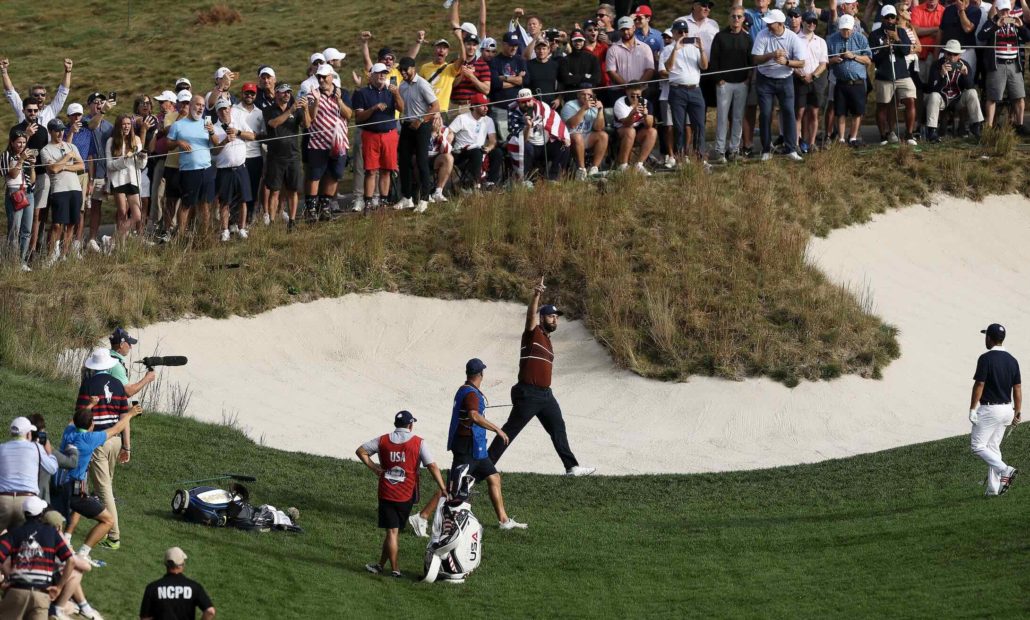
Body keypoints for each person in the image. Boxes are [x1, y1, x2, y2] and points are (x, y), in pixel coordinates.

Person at [487, 278, 595, 476]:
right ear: (543, 318)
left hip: (545, 396)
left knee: (558, 428)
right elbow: (530, 317)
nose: (555, 320)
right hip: (529, 393)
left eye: (556, 317)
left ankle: (571, 466)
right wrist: (536, 295)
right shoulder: (533, 333)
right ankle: (484, 466)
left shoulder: (548, 342)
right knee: (510, 431)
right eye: (551, 316)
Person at [408, 358, 527, 537]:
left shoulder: (465, 390)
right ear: (480, 375)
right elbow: (473, 415)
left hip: (477, 448)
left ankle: (503, 520)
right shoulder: (471, 394)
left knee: (494, 477)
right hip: (467, 447)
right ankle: (422, 517)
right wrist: (497, 429)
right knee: (452, 487)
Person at [56, 378, 142, 559]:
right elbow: (117, 427)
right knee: (107, 520)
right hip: (75, 488)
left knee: (67, 513)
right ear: (91, 426)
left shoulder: (68, 432)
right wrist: (130, 414)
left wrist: (90, 404)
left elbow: (75, 419)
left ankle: (66, 538)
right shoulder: (90, 440)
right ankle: (83, 554)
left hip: (60, 483)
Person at [356, 411, 447, 578]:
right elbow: (432, 466)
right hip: (407, 494)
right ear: (410, 425)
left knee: (392, 532)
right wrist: (443, 487)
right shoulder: (419, 442)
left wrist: (375, 468)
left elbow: (361, 451)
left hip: (386, 492)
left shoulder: (382, 440)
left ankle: (395, 569)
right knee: (393, 531)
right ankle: (384, 566)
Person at [77, 347, 132, 552]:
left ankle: (113, 535)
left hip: (98, 441)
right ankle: (105, 528)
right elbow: (124, 418)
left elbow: (81, 415)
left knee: (104, 490)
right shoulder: (118, 385)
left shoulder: (88, 385)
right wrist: (127, 446)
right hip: (116, 440)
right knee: (106, 486)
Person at [0, 497, 77, 619]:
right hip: (41, 594)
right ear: (41, 514)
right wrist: (59, 587)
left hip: (16, 592)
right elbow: (71, 560)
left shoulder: (15, 532)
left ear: (25, 513)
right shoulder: (52, 533)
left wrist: (8, 577)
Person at [968, 323, 1021, 497]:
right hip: (1007, 409)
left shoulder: (986, 358)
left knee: (977, 446)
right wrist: (1017, 412)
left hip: (991, 409)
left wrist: (972, 408)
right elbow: (1017, 389)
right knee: (992, 446)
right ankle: (993, 488)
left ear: (990, 338)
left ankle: (1005, 469)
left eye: (986, 336)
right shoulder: (1012, 360)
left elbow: (980, 384)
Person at [751, 9, 807, 161]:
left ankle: (791, 149)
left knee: (789, 112)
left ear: (781, 24)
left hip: (785, 79)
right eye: (768, 23)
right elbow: (755, 59)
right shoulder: (762, 34)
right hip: (765, 80)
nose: (768, 26)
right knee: (765, 114)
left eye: (771, 23)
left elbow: (801, 62)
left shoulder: (792, 37)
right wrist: (771, 55)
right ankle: (766, 149)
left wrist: (787, 62)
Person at [301, 64, 352, 220]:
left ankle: (325, 206)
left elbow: (349, 114)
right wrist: (316, 102)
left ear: (331, 76)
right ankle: (311, 209)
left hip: (339, 143)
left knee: (335, 174)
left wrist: (339, 101)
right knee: (315, 175)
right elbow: (310, 119)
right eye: (319, 77)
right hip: (318, 143)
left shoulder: (343, 93)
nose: (321, 80)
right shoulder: (312, 94)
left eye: (324, 77)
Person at [352, 63, 401, 211]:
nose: (382, 75)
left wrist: (397, 94)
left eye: (384, 73)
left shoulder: (391, 91)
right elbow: (359, 118)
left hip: (389, 135)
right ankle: (367, 202)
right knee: (371, 170)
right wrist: (373, 108)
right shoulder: (362, 93)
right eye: (379, 73)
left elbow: (402, 109)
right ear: (371, 75)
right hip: (370, 135)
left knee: (386, 170)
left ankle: (383, 201)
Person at [167, 94, 217, 237]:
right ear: (190, 105)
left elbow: (215, 143)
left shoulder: (206, 124)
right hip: (189, 171)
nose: (200, 108)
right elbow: (168, 145)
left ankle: (204, 235)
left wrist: (212, 131)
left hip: (206, 169)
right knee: (186, 204)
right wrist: (178, 142)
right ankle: (181, 236)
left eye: (202, 106)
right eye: (198, 105)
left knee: (205, 204)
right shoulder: (178, 125)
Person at [709, 5, 753, 163]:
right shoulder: (720, 37)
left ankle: (733, 150)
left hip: (742, 83)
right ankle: (720, 151)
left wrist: (748, 79)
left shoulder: (747, 38)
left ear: (743, 19)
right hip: (724, 84)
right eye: (733, 16)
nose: (736, 19)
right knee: (721, 118)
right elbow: (713, 60)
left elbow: (751, 62)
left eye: (739, 16)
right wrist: (718, 79)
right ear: (729, 18)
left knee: (738, 118)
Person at [660, 20, 709, 163]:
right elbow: (668, 68)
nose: (683, 34)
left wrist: (701, 49)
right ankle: (680, 158)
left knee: (699, 124)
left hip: (695, 89)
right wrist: (676, 49)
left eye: (685, 31)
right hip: (677, 91)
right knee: (679, 126)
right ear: (674, 33)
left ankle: (700, 157)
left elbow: (704, 66)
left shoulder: (694, 47)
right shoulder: (668, 49)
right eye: (680, 32)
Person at [870, 5, 918, 146]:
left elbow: (906, 51)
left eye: (893, 17)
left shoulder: (901, 32)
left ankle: (909, 134)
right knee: (883, 105)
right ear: (882, 19)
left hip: (902, 74)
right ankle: (884, 135)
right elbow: (874, 58)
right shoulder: (874, 35)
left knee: (910, 100)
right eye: (887, 17)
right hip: (884, 75)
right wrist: (885, 47)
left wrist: (897, 39)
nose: (890, 20)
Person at [397, 56, 440, 213]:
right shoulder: (402, 86)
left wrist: (421, 119)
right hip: (408, 125)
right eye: (401, 70)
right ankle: (407, 197)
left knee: (422, 161)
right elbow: (401, 107)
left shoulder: (422, 84)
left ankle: (424, 198)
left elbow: (436, 106)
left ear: (413, 68)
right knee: (403, 160)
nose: (403, 72)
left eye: (405, 69)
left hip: (422, 126)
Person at [39, 118, 85, 264]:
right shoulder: (46, 150)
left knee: (71, 223)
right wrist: (67, 157)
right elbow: (52, 169)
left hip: (75, 188)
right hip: (59, 189)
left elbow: (81, 166)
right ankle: (51, 256)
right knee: (57, 224)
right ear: (51, 131)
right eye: (57, 130)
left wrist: (63, 166)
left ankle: (64, 255)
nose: (60, 133)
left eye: (62, 130)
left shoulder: (71, 146)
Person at [979, 1, 1030, 131]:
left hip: (1014, 63)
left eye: (1007, 10)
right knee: (993, 97)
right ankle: (989, 127)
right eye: (1002, 10)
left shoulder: (1015, 21)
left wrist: (1021, 27)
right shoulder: (991, 22)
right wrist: (996, 26)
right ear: (996, 9)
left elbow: (1028, 37)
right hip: (997, 64)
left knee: (1019, 96)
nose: (1005, 13)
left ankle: (1019, 125)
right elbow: (981, 36)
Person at [0, 417, 58, 531]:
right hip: (26, 501)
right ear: (28, 434)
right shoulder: (36, 447)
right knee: (22, 540)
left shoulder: (2, 448)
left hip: (3, 500)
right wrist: (49, 452)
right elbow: (52, 468)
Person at [210, 99, 256, 241]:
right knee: (225, 201)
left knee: (243, 200)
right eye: (221, 109)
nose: (224, 112)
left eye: (226, 108)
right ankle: (225, 230)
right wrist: (225, 141)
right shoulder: (214, 128)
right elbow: (214, 152)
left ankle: (242, 228)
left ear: (230, 109)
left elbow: (252, 136)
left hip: (241, 168)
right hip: (224, 170)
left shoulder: (238, 122)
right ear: (217, 112)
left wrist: (238, 132)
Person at [924, 40, 984, 142]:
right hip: (942, 99)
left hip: (957, 99)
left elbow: (970, 86)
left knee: (972, 92)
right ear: (945, 54)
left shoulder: (965, 65)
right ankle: (932, 131)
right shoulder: (937, 65)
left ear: (959, 55)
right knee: (934, 95)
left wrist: (965, 75)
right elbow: (932, 88)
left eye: (955, 54)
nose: (952, 57)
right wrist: (942, 75)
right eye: (949, 54)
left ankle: (976, 126)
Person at [506, 89, 570, 184]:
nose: (527, 104)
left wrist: (564, 137)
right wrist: (527, 126)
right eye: (523, 102)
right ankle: (525, 180)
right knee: (525, 147)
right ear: (518, 103)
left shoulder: (542, 107)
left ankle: (554, 178)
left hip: (545, 144)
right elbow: (523, 140)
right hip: (529, 146)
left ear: (533, 99)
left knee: (563, 146)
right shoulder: (513, 113)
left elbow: (555, 121)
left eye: (529, 101)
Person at [262, 83, 304, 229]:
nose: (287, 94)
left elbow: (308, 125)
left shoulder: (297, 109)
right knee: (275, 190)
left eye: (289, 92)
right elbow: (274, 124)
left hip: (293, 155)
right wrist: (290, 111)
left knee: (293, 190)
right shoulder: (269, 110)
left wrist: (311, 107)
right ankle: (272, 222)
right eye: (283, 92)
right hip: (276, 157)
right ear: (277, 94)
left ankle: (292, 221)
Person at [139, 547, 216, 620]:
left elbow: (145, 618)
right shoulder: (194, 587)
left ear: (166, 564)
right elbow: (210, 611)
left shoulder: (152, 588)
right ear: (182, 565)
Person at [106, 114, 148, 243]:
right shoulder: (111, 141)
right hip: (118, 180)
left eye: (129, 124)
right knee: (122, 213)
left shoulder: (136, 139)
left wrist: (143, 157)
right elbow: (109, 165)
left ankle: (112, 240)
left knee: (137, 215)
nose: (126, 126)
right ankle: (121, 247)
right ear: (119, 125)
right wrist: (123, 160)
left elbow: (141, 166)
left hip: (133, 179)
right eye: (124, 124)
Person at [448, 93, 501, 189]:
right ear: (474, 106)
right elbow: (450, 132)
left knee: (497, 152)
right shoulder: (462, 118)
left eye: (487, 105)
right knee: (476, 152)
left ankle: (491, 183)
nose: (486, 108)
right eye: (483, 105)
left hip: (480, 150)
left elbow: (493, 140)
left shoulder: (488, 120)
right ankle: (477, 184)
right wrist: (449, 141)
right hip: (462, 153)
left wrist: (488, 148)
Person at [793, 12, 828, 154]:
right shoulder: (794, 39)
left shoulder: (821, 41)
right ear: (803, 22)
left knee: (814, 112)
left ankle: (812, 143)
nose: (812, 24)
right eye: (809, 21)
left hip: (816, 81)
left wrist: (812, 76)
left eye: (814, 22)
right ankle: (796, 143)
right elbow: (791, 61)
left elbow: (823, 64)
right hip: (799, 80)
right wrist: (802, 75)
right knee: (799, 113)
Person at [1, 129, 35, 270]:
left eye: (24, 142)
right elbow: (13, 175)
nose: (21, 145)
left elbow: (32, 181)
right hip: (14, 193)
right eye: (18, 142)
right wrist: (21, 160)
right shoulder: (6, 155)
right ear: (12, 142)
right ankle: (12, 262)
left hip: (28, 192)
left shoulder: (25, 156)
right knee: (14, 229)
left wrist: (32, 165)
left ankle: (22, 261)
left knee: (26, 230)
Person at [560, 85, 609, 178]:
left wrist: (600, 111)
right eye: (583, 94)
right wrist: (584, 108)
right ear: (578, 95)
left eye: (589, 95)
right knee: (578, 136)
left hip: (586, 137)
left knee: (603, 136)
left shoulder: (594, 106)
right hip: (569, 139)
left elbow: (599, 128)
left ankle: (594, 169)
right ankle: (581, 170)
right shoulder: (569, 105)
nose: (586, 97)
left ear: (593, 95)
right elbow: (572, 125)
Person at [606, 16, 657, 102]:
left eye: (628, 29)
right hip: (620, 92)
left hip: (642, 91)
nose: (626, 32)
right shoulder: (612, 49)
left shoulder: (645, 48)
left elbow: (650, 70)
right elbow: (611, 71)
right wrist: (627, 87)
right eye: (622, 30)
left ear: (633, 28)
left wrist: (637, 87)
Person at [612, 83, 658, 173]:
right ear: (627, 92)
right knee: (630, 131)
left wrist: (645, 115)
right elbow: (626, 123)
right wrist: (633, 113)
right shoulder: (620, 103)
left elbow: (649, 125)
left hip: (638, 132)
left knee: (652, 132)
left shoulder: (646, 103)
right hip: (621, 131)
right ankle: (623, 165)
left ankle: (639, 164)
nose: (635, 98)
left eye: (638, 95)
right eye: (632, 96)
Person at [107, 327, 156, 398]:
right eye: (129, 343)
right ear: (121, 344)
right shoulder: (115, 365)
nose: (130, 347)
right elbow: (128, 392)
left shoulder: (105, 357)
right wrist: (147, 378)